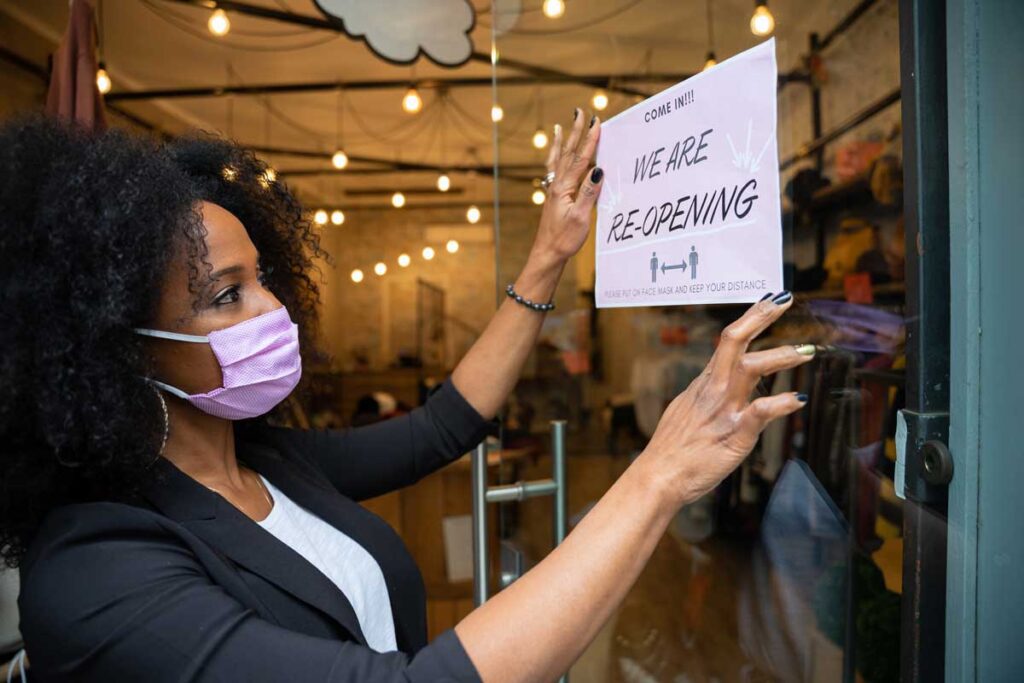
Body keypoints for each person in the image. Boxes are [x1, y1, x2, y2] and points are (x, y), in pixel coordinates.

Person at [0, 111, 812, 682]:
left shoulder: (267, 461)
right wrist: (659, 472)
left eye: (264, 279)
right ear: (114, 345)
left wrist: (549, 255)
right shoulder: (97, 569)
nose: (275, 308)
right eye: (226, 295)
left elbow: (442, 425)